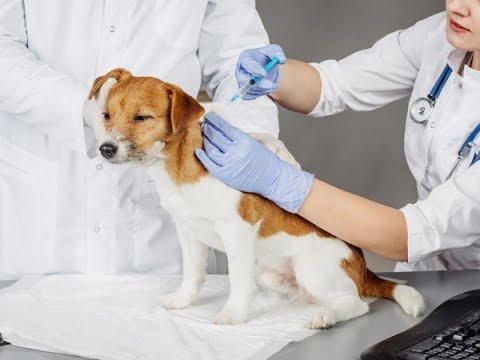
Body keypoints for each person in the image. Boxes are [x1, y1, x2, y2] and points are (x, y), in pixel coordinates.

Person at [0, 0, 279, 279]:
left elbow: (237, 63)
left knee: (170, 307)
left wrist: (252, 134)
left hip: (161, 240)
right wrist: (79, 107)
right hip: (39, 225)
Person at [195, 1, 480, 271]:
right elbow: (333, 84)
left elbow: (412, 234)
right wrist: (277, 77)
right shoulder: (439, 36)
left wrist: (280, 181)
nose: (456, 6)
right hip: (429, 271)